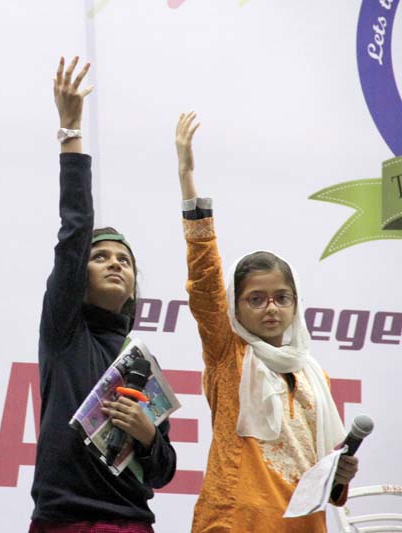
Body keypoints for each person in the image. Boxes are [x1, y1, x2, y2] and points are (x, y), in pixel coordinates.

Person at [174, 111, 359, 532]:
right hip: (236, 521)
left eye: (281, 298)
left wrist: (340, 477)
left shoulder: (314, 375)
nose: (270, 308)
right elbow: (204, 283)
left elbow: (322, 479)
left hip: (304, 525)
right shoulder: (229, 354)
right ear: (236, 310)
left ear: (296, 305)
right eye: (255, 299)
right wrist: (187, 179)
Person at [29, 57, 176, 533]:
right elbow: (74, 233)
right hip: (61, 521)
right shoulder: (64, 331)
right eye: (102, 256)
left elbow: (163, 470)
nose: (116, 263)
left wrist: (149, 436)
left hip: (131, 522)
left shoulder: (138, 361)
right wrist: (70, 130)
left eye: (125, 259)